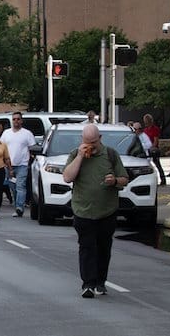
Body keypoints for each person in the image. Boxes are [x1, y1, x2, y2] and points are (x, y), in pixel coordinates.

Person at [62, 123, 128, 298]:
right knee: (87, 247)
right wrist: (80, 157)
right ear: (82, 141)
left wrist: (114, 181)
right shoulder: (76, 155)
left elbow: (124, 179)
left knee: (103, 248)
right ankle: (88, 284)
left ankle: (100, 282)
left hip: (106, 211)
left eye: (93, 142)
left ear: (100, 139)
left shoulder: (111, 155)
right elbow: (67, 177)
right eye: (87, 142)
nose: (90, 145)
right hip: (82, 210)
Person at [0, 111, 34, 217]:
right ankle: (17, 206)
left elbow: (32, 148)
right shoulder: (6, 133)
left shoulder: (27, 134)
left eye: (18, 119)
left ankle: (20, 207)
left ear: (21, 120)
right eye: (14, 119)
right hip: (8, 165)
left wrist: (29, 162)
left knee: (21, 186)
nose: (16, 121)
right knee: (13, 187)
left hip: (22, 165)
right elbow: (1, 148)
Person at [142, 114, 166, 186]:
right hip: (147, 149)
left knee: (157, 164)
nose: (146, 122)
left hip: (153, 149)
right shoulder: (145, 130)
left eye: (147, 120)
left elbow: (156, 140)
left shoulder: (155, 129)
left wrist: (152, 147)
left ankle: (163, 179)